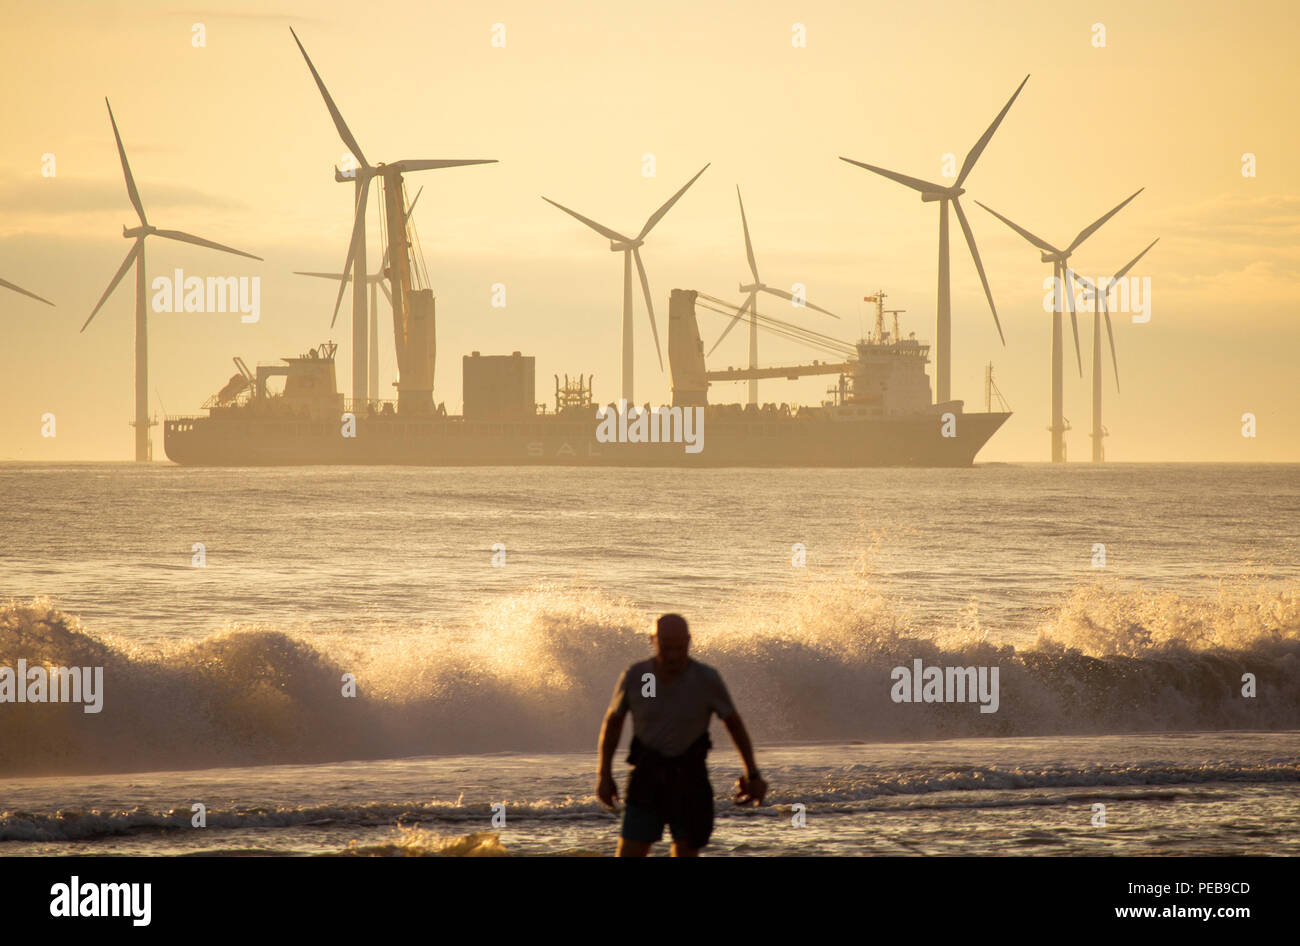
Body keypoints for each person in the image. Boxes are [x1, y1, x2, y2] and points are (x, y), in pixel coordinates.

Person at [596, 613, 766, 856]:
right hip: (646, 778)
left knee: (686, 851)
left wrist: (753, 773)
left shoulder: (706, 679)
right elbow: (613, 724)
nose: (674, 655)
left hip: (690, 779)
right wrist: (604, 774)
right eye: (666, 647)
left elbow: (734, 726)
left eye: (680, 647)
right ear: (652, 640)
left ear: (689, 641)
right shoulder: (642, 677)